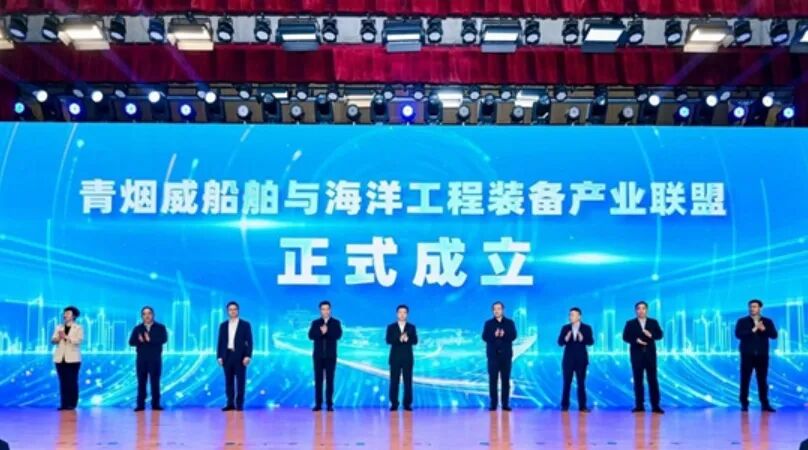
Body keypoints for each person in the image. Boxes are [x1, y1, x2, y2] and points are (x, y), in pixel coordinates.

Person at [735, 299, 778, 412]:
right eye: (750, 307)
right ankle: (744, 404)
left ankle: (765, 404)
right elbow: (738, 335)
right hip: (747, 355)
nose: (752, 309)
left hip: (762, 355)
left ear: (760, 308)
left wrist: (764, 329)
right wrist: (753, 329)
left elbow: (774, 335)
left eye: (754, 307)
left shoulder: (767, 321)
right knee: (745, 379)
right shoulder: (742, 321)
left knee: (762, 380)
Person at [622, 301, 664, 414]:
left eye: (643, 308)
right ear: (636, 311)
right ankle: (639, 405)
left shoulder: (653, 322)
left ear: (647, 310)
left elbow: (660, 335)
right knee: (638, 381)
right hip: (637, 356)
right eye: (638, 308)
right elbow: (625, 337)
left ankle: (655, 406)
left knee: (653, 380)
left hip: (650, 356)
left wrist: (651, 335)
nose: (641, 310)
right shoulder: (630, 323)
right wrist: (636, 340)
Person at [128, 306, 168, 411]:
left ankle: (156, 405)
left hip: (155, 359)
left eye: (149, 313)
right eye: (144, 314)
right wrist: (140, 340)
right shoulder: (138, 328)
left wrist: (150, 339)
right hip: (141, 360)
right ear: (142, 316)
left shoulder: (160, 327)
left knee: (155, 382)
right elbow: (131, 342)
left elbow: (164, 339)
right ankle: (140, 405)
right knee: (141, 382)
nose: (147, 316)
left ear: (153, 315)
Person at [216, 301, 253, 411]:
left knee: (240, 381)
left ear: (238, 310)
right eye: (230, 309)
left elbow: (250, 341)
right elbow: (220, 342)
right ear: (227, 311)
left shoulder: (245, 325)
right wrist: (219, 356)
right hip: (227, 356)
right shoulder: (223, 325)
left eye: (234, 309)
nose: (232, 311)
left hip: (240, 356)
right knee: (229, 381)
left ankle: (239, 404)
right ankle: (230, 403)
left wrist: (248, 356)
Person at [482, 301, 517, 411]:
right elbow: (484, 337)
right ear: (493, 311)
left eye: (499, 309)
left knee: (505, 380)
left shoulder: (509, 323)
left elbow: (514, 336)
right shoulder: (488, 323)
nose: (496, 311)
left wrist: (504, 335)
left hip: (506, 356)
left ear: (503, 310)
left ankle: (505, 404)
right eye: (495, 309)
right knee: (493, 380)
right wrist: (494, 335)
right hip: (493, 357)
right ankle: (493, 404)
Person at [557, 307, 594, 412]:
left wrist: (583, 339)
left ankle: (582, 406)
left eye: (573, 315)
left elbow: (591, 342)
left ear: (579, 316)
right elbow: (560, 342)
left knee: (581, 383)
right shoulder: (565, 328)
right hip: (568, 360)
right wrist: (566, 338)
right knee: (566, 383)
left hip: (581, 360)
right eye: (570, 315)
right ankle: (565, 406)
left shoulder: (587, 328)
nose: (570, 317)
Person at [308, 300, 343, 411]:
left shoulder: (336, 322)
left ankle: (329, 404)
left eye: (327, 309)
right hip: (318, 356)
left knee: (330, 380)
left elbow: (338, 335)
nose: (325, 311)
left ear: (330, 310)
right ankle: (318, 404)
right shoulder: (315, 323)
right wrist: (321, 332)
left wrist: (327, 331)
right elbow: (311, 336)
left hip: (330, 356)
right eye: (323, 309)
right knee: (318, 380)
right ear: (320, 310)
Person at [386, 304, 418, 411]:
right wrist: (399, 339)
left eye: (404, 312)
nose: (402, 314)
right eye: (400, 312)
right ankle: (394, 403)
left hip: (407, 358)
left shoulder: (411, 327)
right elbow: (388, 340)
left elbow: (415, 341)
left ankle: (407, 404)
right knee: (394, 381)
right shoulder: (391, 327)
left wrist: (408, 339)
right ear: (397, 314)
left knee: (408, 382)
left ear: (407, 314)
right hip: (395, 358)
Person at [52, 306, 83, 411]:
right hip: (60, 358)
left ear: (74, 316)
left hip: (73, 359)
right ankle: (64, 404)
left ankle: (72, 404)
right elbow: (53, 340)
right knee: (63, 382)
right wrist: (58, 338)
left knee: (72, 381)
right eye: (65, 313)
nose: (65, 315)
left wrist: (66, 337)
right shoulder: (59, 327)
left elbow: (78, 341)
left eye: (68, 313)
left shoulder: (78, 328)